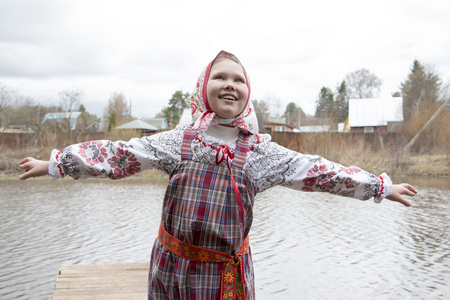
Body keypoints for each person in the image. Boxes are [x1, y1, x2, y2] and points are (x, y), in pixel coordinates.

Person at [18, 50, 417, 300]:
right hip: (170, 269)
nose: (230, 84)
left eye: (239, 79)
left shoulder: (262, 153)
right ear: (203, 87)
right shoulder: (178, 142)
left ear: (248, 92)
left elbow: (318, 171)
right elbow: (119, 154)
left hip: (225, 278)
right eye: (220, 76)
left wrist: (380, 186)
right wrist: (56, 164)